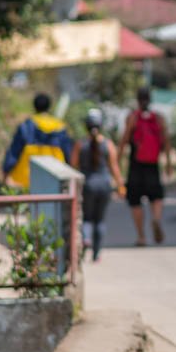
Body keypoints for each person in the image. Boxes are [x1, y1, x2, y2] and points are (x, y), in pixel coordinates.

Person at [70, 108, 125, 262]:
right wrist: (121, 186)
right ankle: (97, 254)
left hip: (87, 185)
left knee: (87, 218)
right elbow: (114, 167)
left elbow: (72, 166)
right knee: (100, 220)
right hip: (104, 185)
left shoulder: (80, 144)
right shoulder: (108, 144)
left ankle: (86, 239)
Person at [119, 86, 170, 246]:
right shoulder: (159, 118)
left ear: (137, 99)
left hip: (136, 165)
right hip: (153, 165)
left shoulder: (133, 118)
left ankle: (141, 236)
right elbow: (166, 142)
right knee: (156, 197)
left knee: (135, 201)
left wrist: (118, 159)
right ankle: (155, 219)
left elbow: (125, 140)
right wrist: (168, 162)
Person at [1, 93, 73, 192]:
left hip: (25, 181)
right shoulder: (60, 128)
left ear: (34, 106)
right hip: (54, 180)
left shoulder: (26, 126)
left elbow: (14, 153)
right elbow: (68, 155)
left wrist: (6, 171)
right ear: (49, 107)